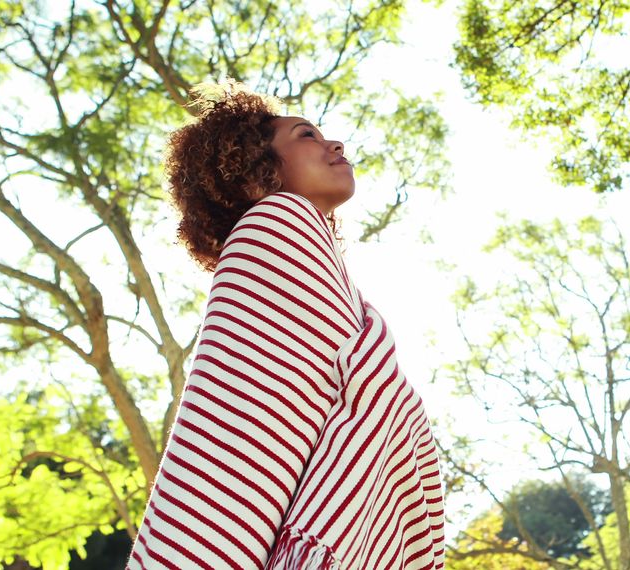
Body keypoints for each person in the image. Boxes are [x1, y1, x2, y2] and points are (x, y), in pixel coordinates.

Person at [126, 80, 445, 569]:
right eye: (305, 136)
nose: (333, 144)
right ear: (258, 175)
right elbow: (243, 432)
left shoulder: (310, 250)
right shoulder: (273, 229)